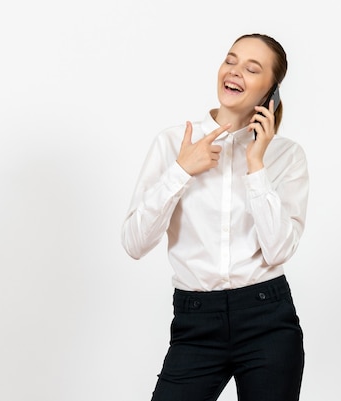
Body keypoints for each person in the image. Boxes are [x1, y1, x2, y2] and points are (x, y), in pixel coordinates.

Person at [121, 33, 309, 401]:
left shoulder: (286, 156)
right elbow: (134, 243)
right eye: (231, 60)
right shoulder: (174, 143)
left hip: (267, 318)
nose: (235, 71)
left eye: (252, 69)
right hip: (195, 321)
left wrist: (256, 165)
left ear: (271, 92)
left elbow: (278, 250)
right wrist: (181, 170)